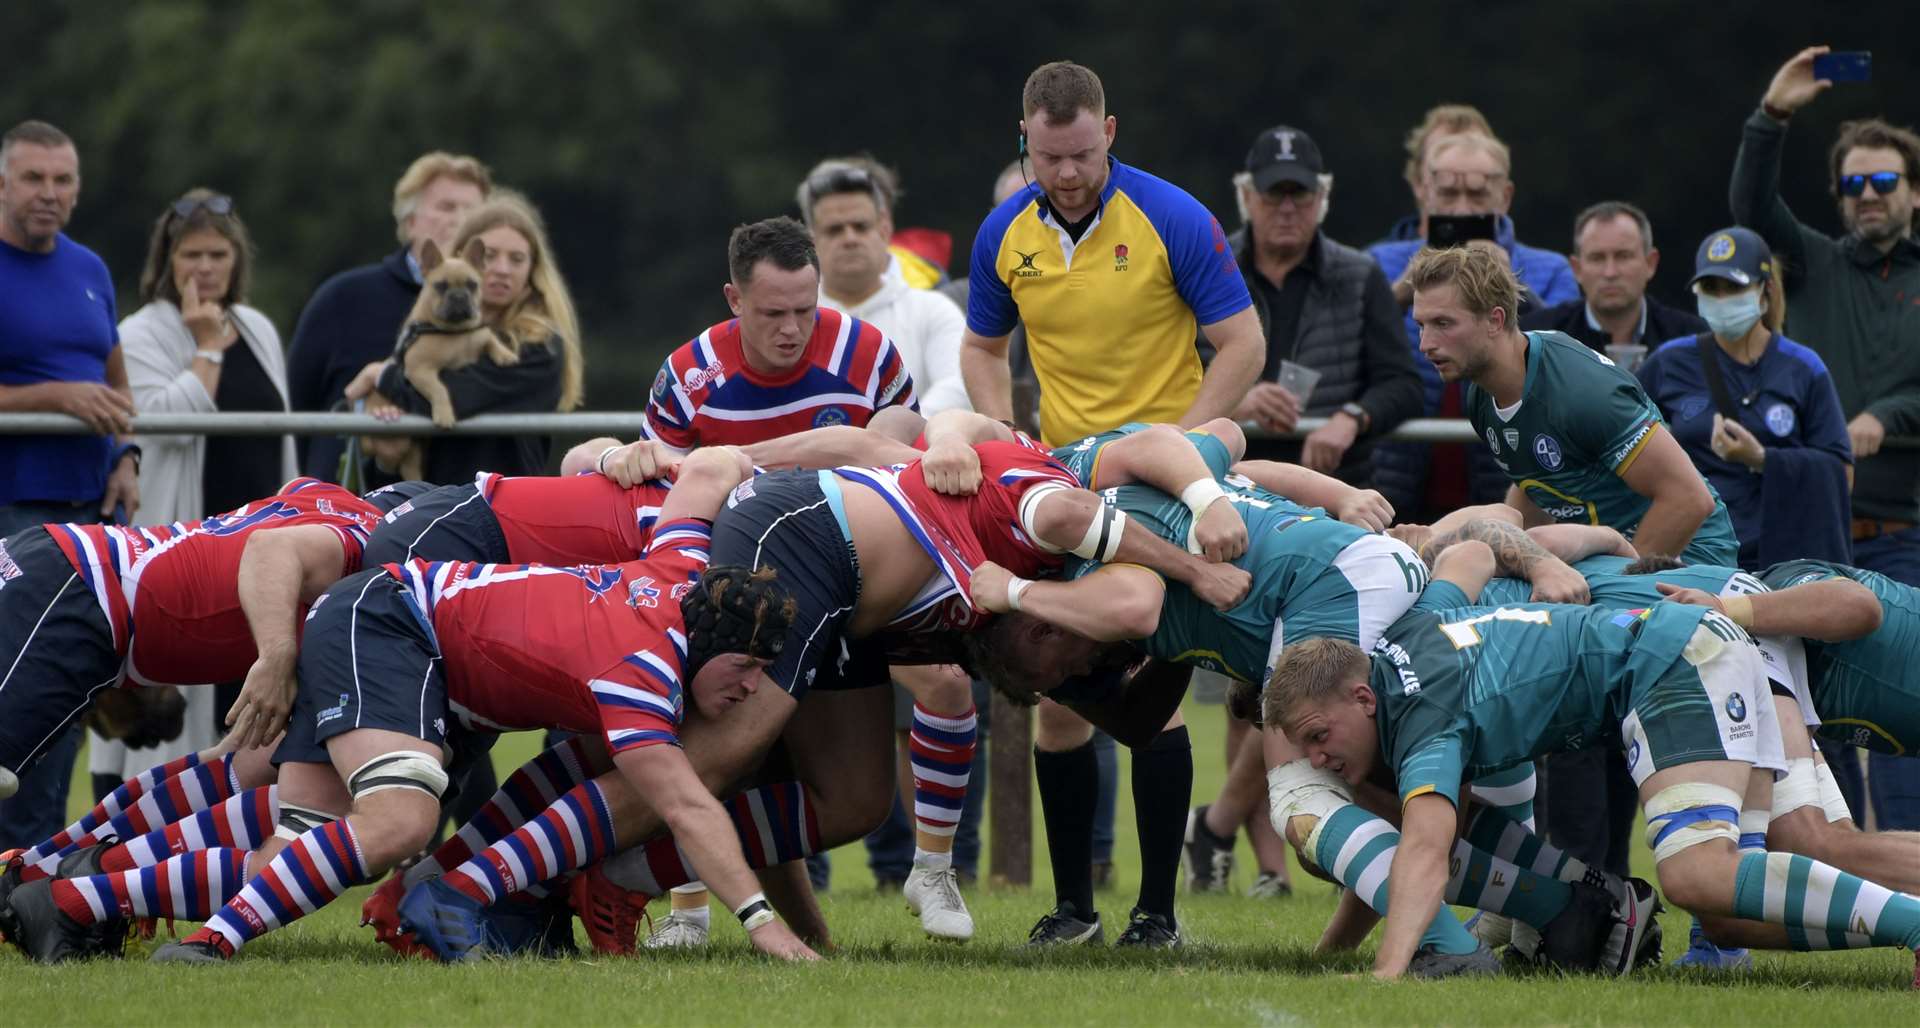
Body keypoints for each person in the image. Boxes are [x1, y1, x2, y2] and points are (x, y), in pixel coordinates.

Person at [1264, 569, 1920, 986]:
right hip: (1700, 650)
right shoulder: (1410, 635)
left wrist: (1385, 973)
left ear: (1361, 698)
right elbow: (1465, 557)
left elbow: (1424, 850)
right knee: (1724, 916)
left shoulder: (1423, 715)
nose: (1317, 760)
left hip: (1674, 661)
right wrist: (1332, 959)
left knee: (1698, 874)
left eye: (1318, 737)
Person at [958, 61, 1263, 948]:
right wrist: (1006, 436)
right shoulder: (1003, 233)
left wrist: (1190, 450)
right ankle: (1073, 910)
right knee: (1059, 694)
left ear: (1111, 134)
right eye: (1049, 157)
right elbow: (984, 345)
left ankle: (1157, 915)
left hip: (1161, 489)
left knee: (1152, 689)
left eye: (1083, 154)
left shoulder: (1171, 215)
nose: (1067, 174)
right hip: (1063, 491)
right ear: (1026, 141)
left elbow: (1241, 343)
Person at [1733, 45, 1920, 833]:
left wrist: (1889, 415)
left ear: (1914, 191)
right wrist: (1771, 115)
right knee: (1815, 714)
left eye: (1884, 182)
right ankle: (1837, 885)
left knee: (1908, 730)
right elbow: (1751, 207)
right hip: (1819, 534)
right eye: (1854, 184)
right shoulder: (1810, 263)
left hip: (1905, 531)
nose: (1867, 196)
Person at [110, 187, 296, 785]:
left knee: (249, 705)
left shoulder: (260, 328)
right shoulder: (140, 334)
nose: (206, 268)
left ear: (236, 259)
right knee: (172, 713)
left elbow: (284, 430)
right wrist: (208, 347)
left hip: (261, 551)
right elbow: (159, 425)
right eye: (191, 255)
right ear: (168, 262)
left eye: (218, 254)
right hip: (185, 550)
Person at [0, 119, 140, 846]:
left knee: (64, 698)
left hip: (89, 520)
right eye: (32, 178)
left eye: (61, 181)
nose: (48, 194)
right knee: (10, 692)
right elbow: (72, 390)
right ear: (3, 183)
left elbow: (115, 386)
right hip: (11, 510)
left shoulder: (89, 269)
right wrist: (51, 398)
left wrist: (126, 454)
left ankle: (27, 865)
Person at [1370, 131, 1580, 519]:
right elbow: (1348, 343)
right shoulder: (1380, 263)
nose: (1463, 209)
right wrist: (1403, 288)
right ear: (1425, 192)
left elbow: (1567, 361)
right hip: (1397, 472)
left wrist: (1510, 286)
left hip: (1511, 471)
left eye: (1478, 196)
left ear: (1506, 196)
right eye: (1448, 194)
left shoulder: (1550, 270)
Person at [1636, 227, 1853, 572]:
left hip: (1784, 556)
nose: (1722, 299)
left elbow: (1842, 475)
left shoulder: (1803, 367)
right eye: (1711, 288)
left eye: (1734, 287)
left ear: (1765, 290)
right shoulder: (1668, 363)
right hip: (1694, 556)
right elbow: (1625, 443)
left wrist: (1763, 458)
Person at [1227, 125, 1423, 484]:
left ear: (1322, 198)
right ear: (1246, 197)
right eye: (1274, 193)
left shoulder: (1361, 276)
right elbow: (1167, 377)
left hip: (1335, 484)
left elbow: (1402, 384)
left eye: (1300, 193)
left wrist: (1352, 418)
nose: (1287, 209)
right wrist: (1233, 403)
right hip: (1226, 478)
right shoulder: (1209, 270)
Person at [344, 191, 583, 485]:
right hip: (420, 501)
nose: (501, 269)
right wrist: (387, 426)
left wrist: (382, 377)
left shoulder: (539, 345)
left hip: (497, 505)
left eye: (517, 259)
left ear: (532, 271)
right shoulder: (426, 330)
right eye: (490, 255)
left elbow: (458, 397)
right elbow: (397, 429)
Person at [285, 151, 491, 480]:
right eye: (446, 207)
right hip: (351, 503)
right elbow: (295, 404)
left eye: (473, 212)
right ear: (410, 222)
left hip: (457, 504)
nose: (461, 220)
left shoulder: (500, 309)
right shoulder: (343, 298)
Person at [800, 157, 969, 415]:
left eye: (860, 226)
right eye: (834, 230)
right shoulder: (792, 320)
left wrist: (892, 433)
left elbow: (959, 386)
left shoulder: (934, 311)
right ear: (812, 240)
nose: (849, 239)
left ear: (884, 227)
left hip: (918, 451)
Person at [1520, 202, 1709, 360]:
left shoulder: (1693, 339)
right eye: (1597, 258)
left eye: (1623, 256)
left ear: (1650, 263)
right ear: (1577, 269)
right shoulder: (1536, 340)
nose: (1610, 272)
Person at [1375, 104, 1495, 246]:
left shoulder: (1526, 265)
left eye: (1472, 155)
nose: (1459, 180)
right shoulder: (1373, 264)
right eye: (1441, 157)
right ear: (1418, 182)